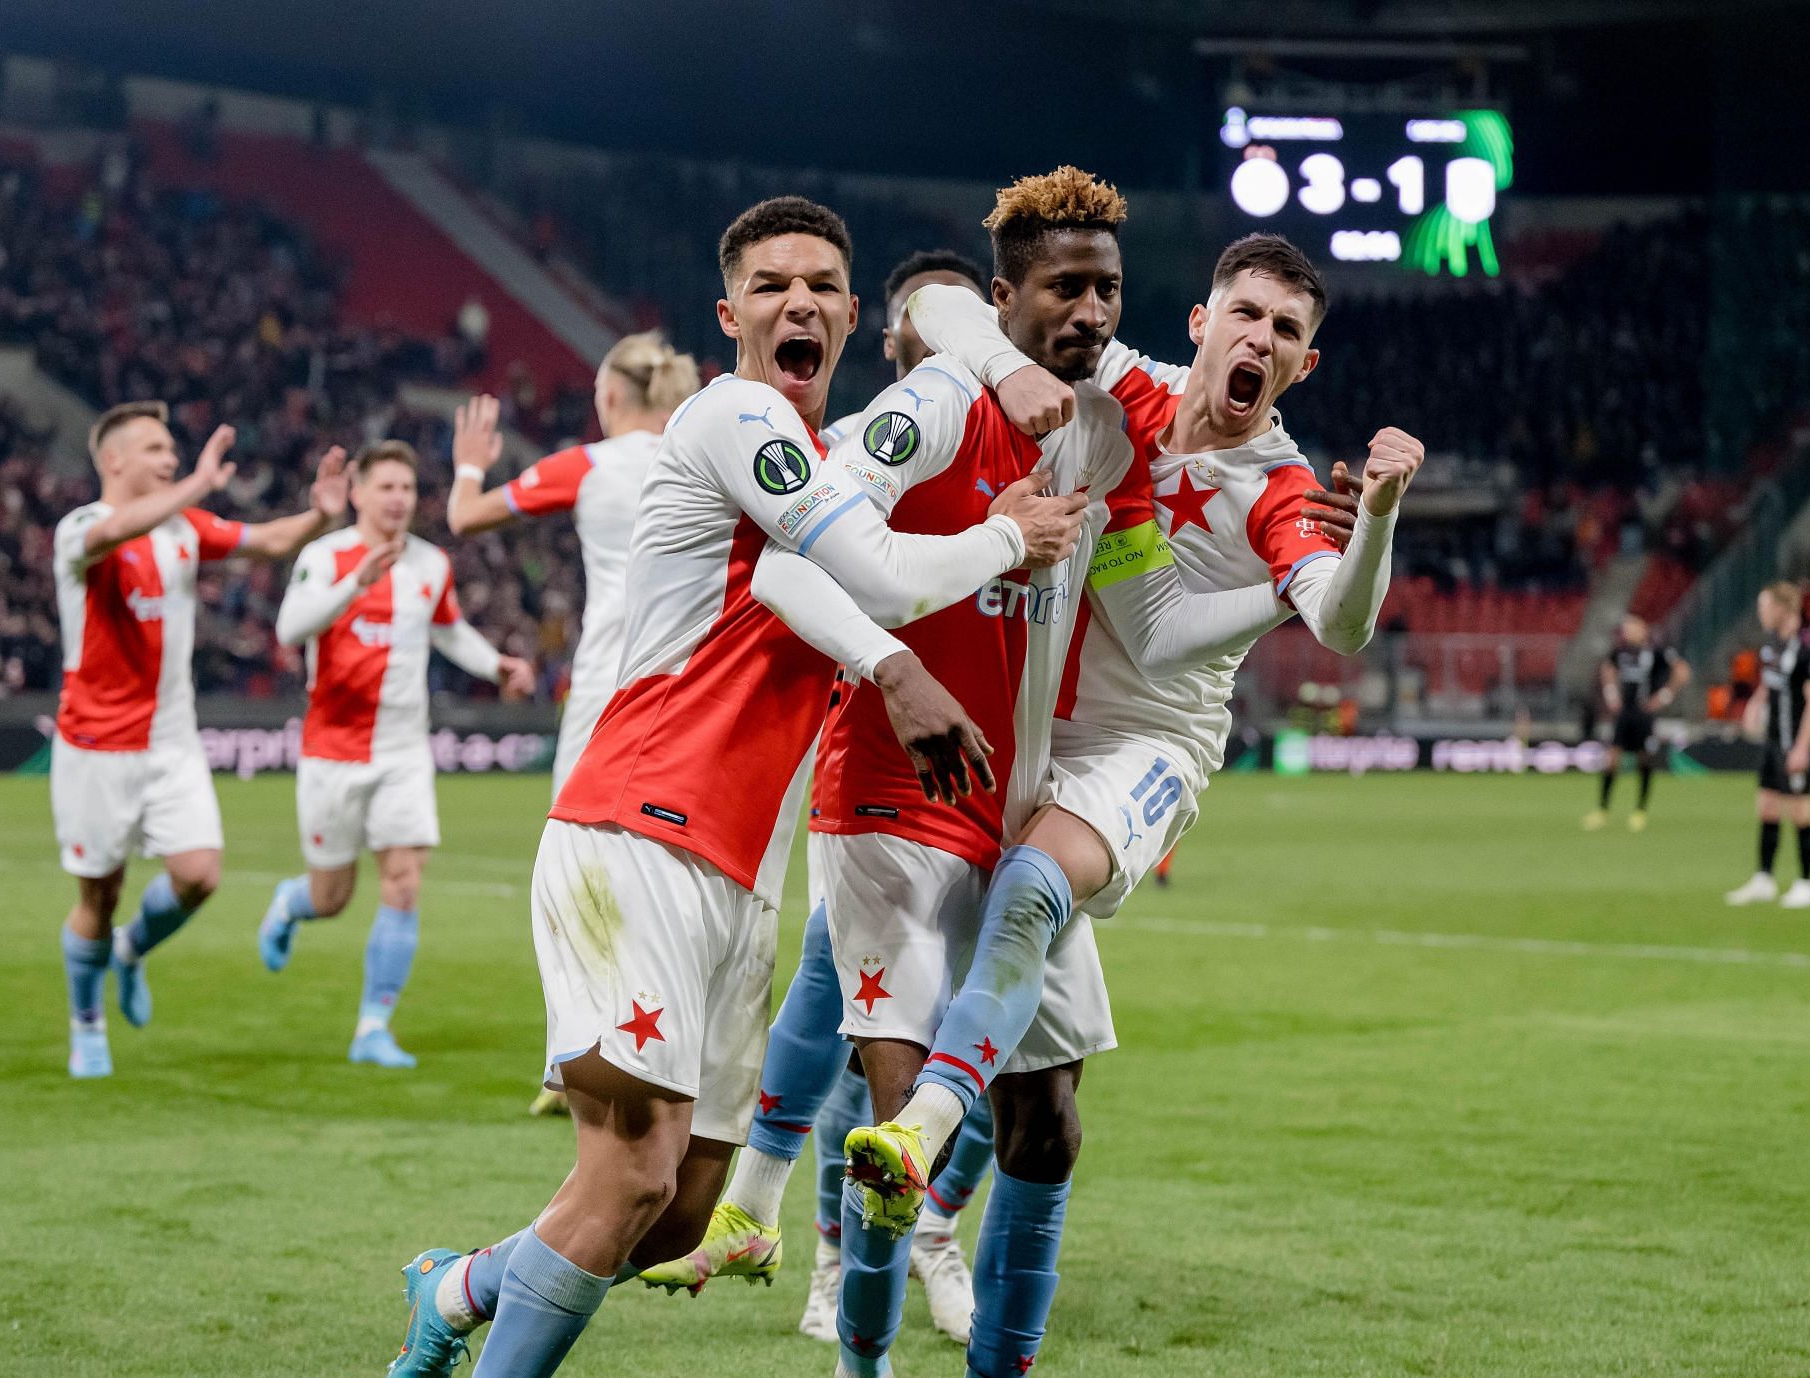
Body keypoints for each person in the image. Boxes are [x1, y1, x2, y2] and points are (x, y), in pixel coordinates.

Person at [384, 195, 1089, 1378]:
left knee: (674, 1212)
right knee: (632, 1171)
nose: (798, 301)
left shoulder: (830, 458)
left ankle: (455, 1287)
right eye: (770, 284)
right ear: (729, 315)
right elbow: (862, 569)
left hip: (744, 878)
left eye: (821, 284)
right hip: (640, 828)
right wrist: (1008, 540)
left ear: (855, 316)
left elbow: (846, 535)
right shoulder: (733, 414)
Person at [846, 231, 1416, 1378]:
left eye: (1287, 332)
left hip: (1149, 748)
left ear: (1303, 367)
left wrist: (1385, 514)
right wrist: (1008, 370)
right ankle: (860, 1309)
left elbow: (1342, 622)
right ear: (1204, 323)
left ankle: (921, 1132)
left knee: (1028, 893)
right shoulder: (1131, 384)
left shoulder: (1285, 489)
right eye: (1245, 314)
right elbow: (948, 301)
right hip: (1027, 723)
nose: (1261, 339)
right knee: (1040, 1113)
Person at [639, 251, 1005, 1347]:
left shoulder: (1029, 439)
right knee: (871, 1031)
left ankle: (874, 1221)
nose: (945, 356)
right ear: (890, 344)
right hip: (872, 771)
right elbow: (804, 573)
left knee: (1010, 1049)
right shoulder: (854, 454)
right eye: (927, 334)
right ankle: (842, 1264)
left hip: (1007, 785)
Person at [51, 401, 346, 1078]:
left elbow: (270, 541)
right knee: (99, 893)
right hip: (95, 750)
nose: (171, 457)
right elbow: (120, 526)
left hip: (171, 744)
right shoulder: (81, 529)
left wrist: (323, 514)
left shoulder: (183, 529)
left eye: (172, 449)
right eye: (156, 448)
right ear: (114, 460)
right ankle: (87, 1022)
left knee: (199, 874)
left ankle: (129, 952)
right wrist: (198, 485)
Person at [258, 440, 535, 1067]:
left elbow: (448, 629)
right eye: (385, 487)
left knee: (404, 881)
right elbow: (289, 629)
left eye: (406, 489)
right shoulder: (324, 556)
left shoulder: (431, 564)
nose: (397, 500)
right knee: (331, 898)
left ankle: (372, 1027)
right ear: (356, 493)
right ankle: (289, 903)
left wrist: (496, 665)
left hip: (403, 751)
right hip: (332, 752)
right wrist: (354, 584)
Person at [445, 332, 703, 793]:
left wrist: (469, 465)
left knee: (572, 837)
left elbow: (464, 517)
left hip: (611, 675)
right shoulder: (701, 465)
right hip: (695, 680)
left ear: (609, 396)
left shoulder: (587, 465)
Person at [1726, 582, 1810, 909]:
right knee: (1767, 806)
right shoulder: (1771, 645)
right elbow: (1770, 684)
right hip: (1772, 741)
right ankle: (1764, 879)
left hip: (1796, 742)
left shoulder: (1808, 648)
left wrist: (1802, 748)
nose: (1761, 613)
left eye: (1765, 607)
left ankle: (1805, 883)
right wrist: (1755, 702)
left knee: (1799, 810)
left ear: (1783, 609)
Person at [1584, 614, 1689, 831]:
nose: (1628, 631)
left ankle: (1640, 810)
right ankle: (1602, 809)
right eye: (1626, 627)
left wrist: (1663, 697)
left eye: (1632, 626)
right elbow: (1607, 668)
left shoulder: (1657, 651)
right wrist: (1611, 694)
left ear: (1643, 628)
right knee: (1612, 759)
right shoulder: (1621, 651)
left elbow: (1682, 671)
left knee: (1644, 760)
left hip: (1644, 714)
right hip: (1624, 714)